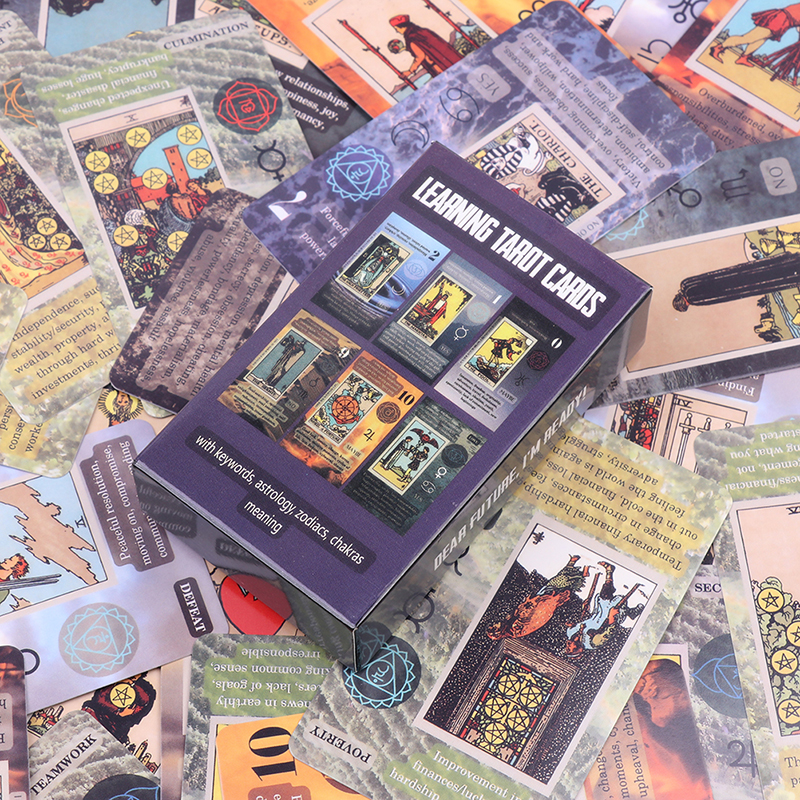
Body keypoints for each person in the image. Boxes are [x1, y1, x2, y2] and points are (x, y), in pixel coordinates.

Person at [709, 3, 800, 65]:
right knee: (748, 38)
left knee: (761, 39)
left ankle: (744, 57)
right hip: (781, 19)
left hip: (785, 21)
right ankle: (718, 48)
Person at [390, 14, 462, 79]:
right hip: (454, 62)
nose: (397, 31)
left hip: (440, 67)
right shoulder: (423, 31)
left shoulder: (411, 38)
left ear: (401, 27)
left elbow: (420, 56)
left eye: (396, 29)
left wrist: (410, 71)